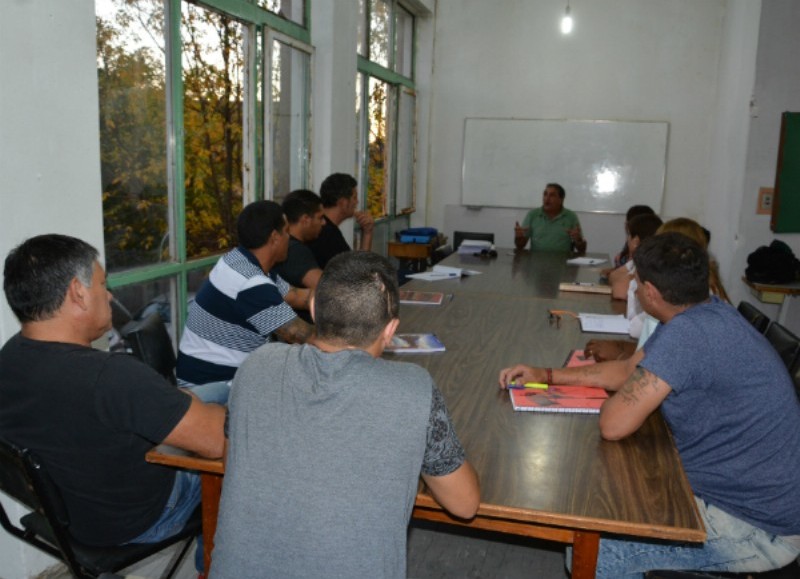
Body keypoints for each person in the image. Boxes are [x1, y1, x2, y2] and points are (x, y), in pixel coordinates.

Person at [504, 233, 800, 578]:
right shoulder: (703, 313)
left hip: (758, 528)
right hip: (751, 499)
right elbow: (627, 370)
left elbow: (613, 425)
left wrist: (634, 397)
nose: (633, 285)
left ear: (652, 293)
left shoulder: (688, 335)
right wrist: (547, 374)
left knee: (596, 552)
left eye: (637, 281)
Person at [210, 251, 480, 579]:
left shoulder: (255, 365)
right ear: (390, 329)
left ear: (312, 309)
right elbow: (465, 505)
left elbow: (233, 464)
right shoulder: (413, 388)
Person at [0, 234, 225, 572]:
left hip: (74, 513)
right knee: (241, 436)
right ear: (78, 292)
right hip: (140, 519)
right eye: (103, 284)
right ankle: (213, 560)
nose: (109, 295)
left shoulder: (10, 359)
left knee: (218, 391)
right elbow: (216, 442)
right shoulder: (110, 377)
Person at [176, 200, 313, 389]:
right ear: (274, 237)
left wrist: (347, 300)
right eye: (287, 231)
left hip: (209, 376)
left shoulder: (239, 260)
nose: (290, 238)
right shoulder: (251, 284)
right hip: (211, 387)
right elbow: (304, 337)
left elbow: (298, 297)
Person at [584, 217, 729, 363]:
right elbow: (653, 347)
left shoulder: (685, 300)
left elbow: (657, 360)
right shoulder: (696, 287)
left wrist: (620, 356)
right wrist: (620, 347)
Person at [307, 172, 375, 269]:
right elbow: (358, 272)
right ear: (342, 202)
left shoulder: (329, 229)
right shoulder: (327, 234)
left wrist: (367, 232)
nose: (357, 202)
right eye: (354, 198)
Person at [272, 189, 325, 290]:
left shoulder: (286, 246)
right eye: (320, 218)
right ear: (305, 220)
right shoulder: (296, 251)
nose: (324, 223)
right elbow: (328, 290)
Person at [514, 183, 586, 253]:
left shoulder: (570, 216)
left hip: (562, 263)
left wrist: (578, 240)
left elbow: (582, 250)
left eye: (552, 195)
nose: (547, 198)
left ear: (561, 199)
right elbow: (520, 246)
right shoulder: (533, 215)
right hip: (536, 262)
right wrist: (519, 238)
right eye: (545, 194)